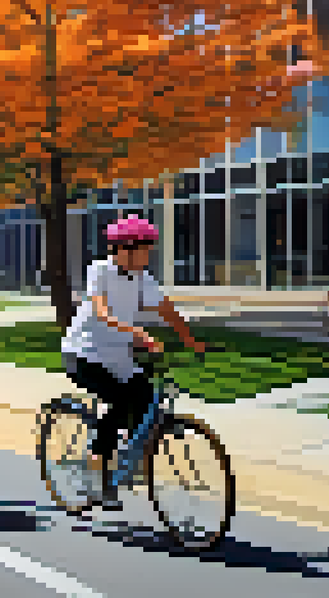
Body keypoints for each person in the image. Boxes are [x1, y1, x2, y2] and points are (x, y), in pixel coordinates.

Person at [61, 215, 205, 510]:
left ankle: (129, 457)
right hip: (84, 353)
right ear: (125, 249)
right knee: (119, 403)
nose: (148, 255)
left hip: (119, 356)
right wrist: (137, 332)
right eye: (145, 249)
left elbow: (166, 309)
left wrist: (192, 341)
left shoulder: (142, 278)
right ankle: (96, 471)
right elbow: (101, 312)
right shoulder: (99, 270)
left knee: (146, 399)